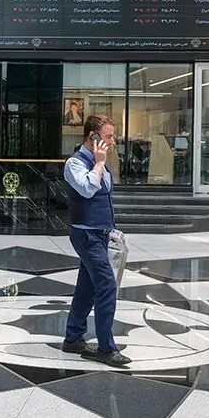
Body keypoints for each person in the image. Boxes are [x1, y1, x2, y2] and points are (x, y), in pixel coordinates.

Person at [61, 114, 131, 367]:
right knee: (106, 286)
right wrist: (99, 163)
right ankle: (106, 348)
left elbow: (104, 200)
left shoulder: (102, 163)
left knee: (87, 287)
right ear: (93, 137)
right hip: (86, 236)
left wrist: (112, 230)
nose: (112, 141)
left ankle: (73, 338)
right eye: (108, 136)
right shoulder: (75, 164)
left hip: (100, 235)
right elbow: (88, 189)